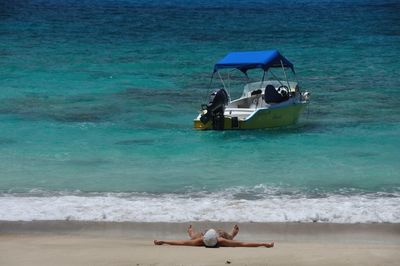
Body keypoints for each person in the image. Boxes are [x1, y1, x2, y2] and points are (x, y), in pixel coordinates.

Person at [154, 224, 274, 248]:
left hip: (208, 236)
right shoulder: (220, 239)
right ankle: (231, 235)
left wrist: (163, 241)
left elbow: (182, 242)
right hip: (219, 235)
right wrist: (263, 244)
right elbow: (242, 244)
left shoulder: (201, 240)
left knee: (191, 239)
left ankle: (191, 233)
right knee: (229, 239)